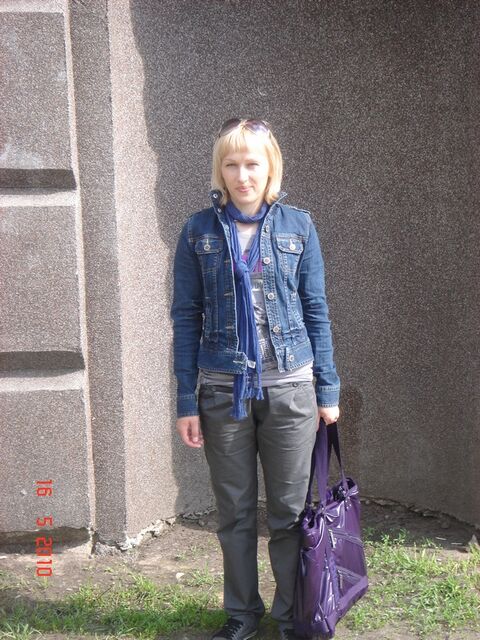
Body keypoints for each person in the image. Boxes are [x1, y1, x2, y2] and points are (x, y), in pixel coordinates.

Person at [170, 118, 341, 640]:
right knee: (235, 513)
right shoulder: (198, 232)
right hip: (224, 391)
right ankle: (242, 615)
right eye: (232, 164)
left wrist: (327, 390)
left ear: (270, 169)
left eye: (252, 164)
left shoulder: (299, 227)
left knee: (289, 513)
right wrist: (186, 401)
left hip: (291, 387)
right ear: (219, 170)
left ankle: (290, 618)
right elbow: (186, 318)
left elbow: (316, 310)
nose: (242, 175)